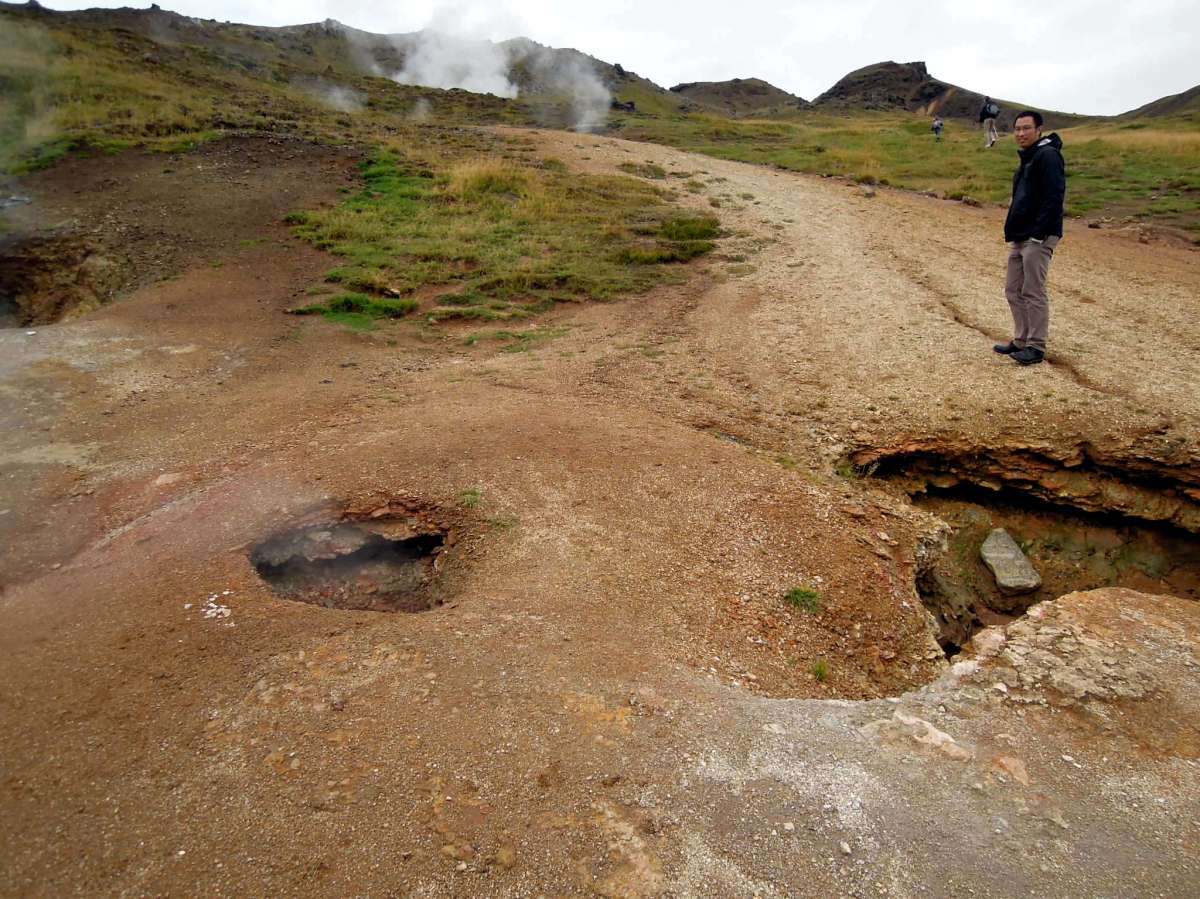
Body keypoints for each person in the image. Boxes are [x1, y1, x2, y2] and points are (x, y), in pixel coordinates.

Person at [994, 110, 1065, 366]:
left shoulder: (1047, 156)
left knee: (1033, 290)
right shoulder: (1029, 157)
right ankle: (1021, 340)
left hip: (1038, 236)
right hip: (1021, 234)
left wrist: (1039, 233)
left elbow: (1054, 196)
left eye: (1026, 128)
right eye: (1017, 129)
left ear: (1039, 130)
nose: (1021, 133)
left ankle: (1036, 346)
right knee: (1013, 289)